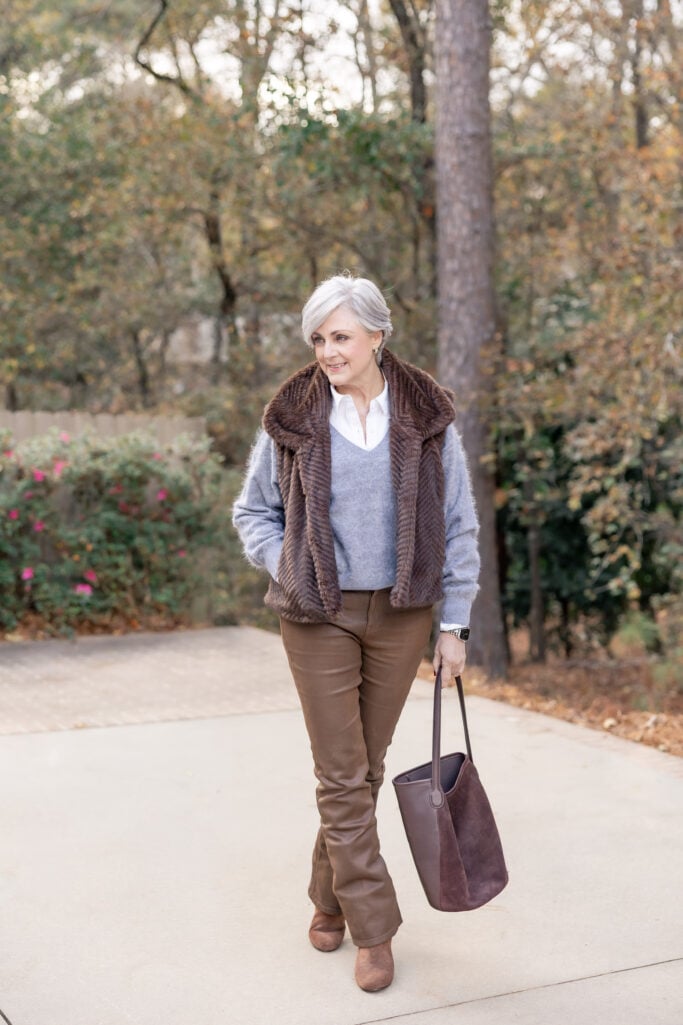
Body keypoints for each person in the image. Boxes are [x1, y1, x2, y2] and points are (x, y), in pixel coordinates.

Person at [232, 274, 479, 992]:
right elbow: (254, 511)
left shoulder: (427, 416)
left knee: (365, 770)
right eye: (317, 338)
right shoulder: (293, 415)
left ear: (377, 334)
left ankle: (324, 896)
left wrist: (453, 622)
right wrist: (292, 563)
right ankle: (374, 929)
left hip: (402, 616)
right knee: (341, 774)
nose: (326, 350)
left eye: (339, 336)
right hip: (318, 616)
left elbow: (458, 522)